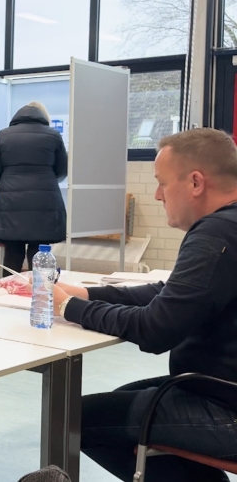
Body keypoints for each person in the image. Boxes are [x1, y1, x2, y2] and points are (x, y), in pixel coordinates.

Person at [53, 128, 237, 482]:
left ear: (196, 183)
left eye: (162, 183)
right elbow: (169, 293)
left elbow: (155, 330)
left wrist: (66, 308)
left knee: (74, 418)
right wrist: (86, 293)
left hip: (224, 406)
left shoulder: (215, 234)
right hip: (218, 386)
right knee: (119, 401)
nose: (156, 195)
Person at [0, 101, 67, 274]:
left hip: (11, 201)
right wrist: (48, 181)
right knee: (39, 251)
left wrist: (7, 180)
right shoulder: (53, 135)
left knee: (12, 251)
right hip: (44, 202)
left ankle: (7, 293)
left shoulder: (4, 135)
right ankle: (39, 294)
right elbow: (62, 169)